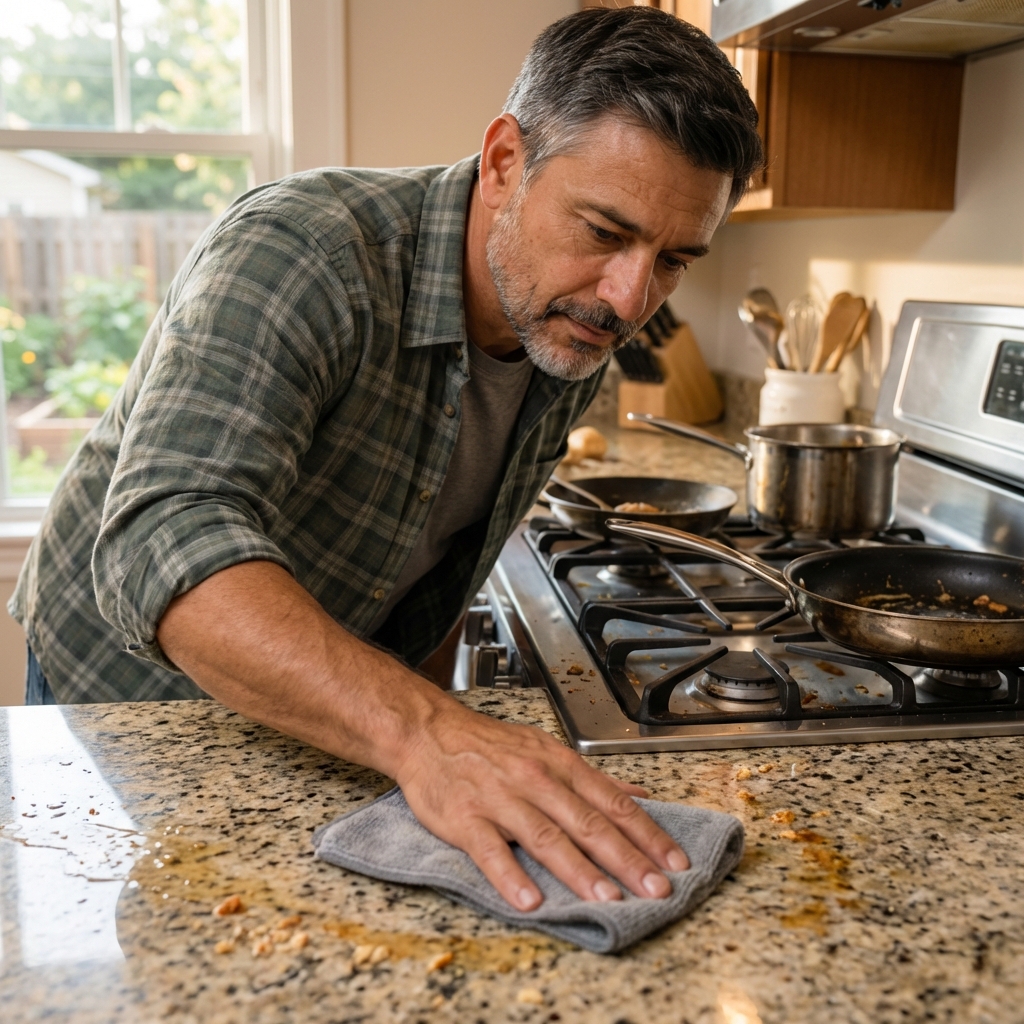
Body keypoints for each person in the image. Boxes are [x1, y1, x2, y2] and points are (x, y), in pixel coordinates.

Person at [11, 7, 761, 909]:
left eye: (675, 260)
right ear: (503, 162)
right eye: (605, 231)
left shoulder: (567, 320)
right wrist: (425, 734)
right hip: (134, 698)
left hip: (329, 711)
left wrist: (435, 751)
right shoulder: (307, 250)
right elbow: (162, 540)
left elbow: (441, 552)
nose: (631, 296)